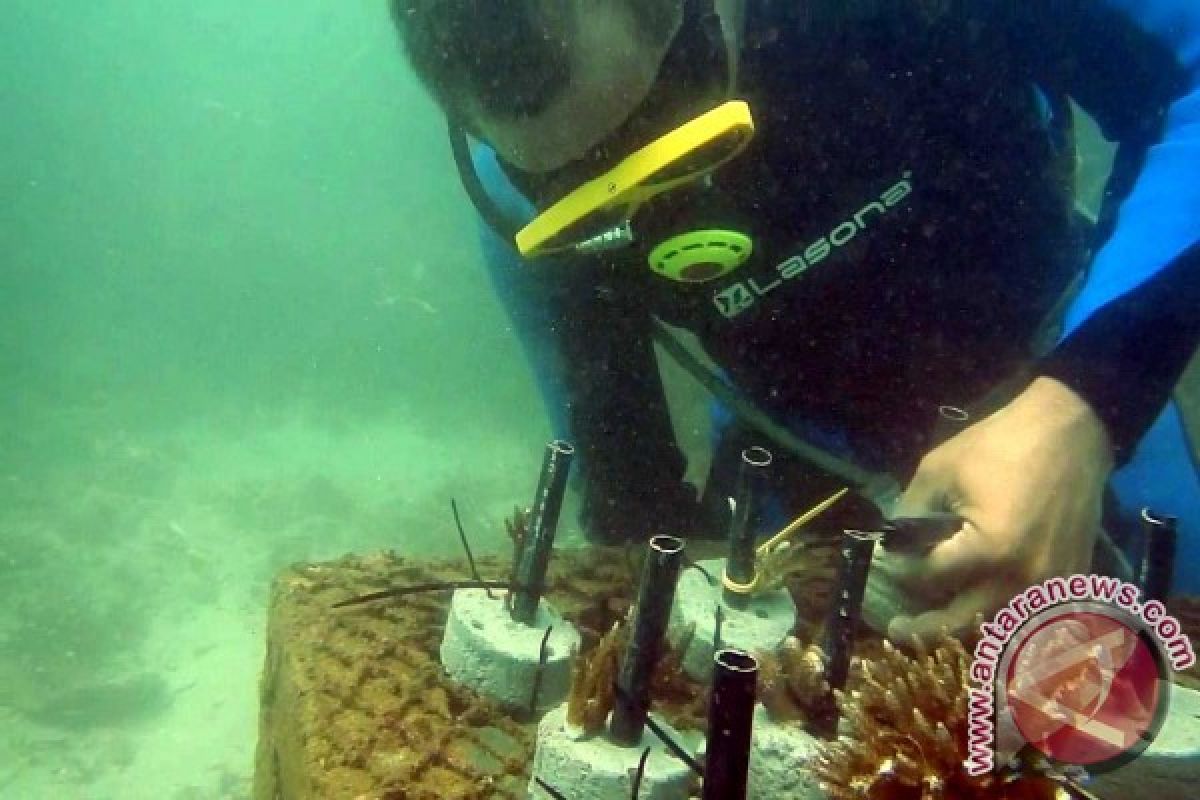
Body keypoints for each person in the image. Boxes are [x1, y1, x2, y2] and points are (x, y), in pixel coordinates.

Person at [389, 0, 1200, 640]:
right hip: (791, 452)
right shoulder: (518, 199)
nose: (672, 225)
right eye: (578, 189)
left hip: (1057, 369)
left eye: (670, 133)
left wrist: (1084, 407)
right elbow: (632, 500)